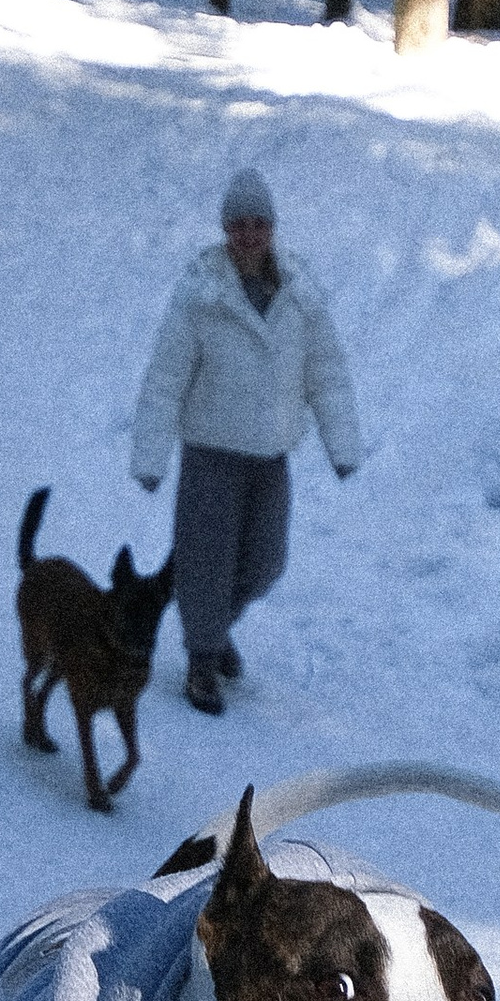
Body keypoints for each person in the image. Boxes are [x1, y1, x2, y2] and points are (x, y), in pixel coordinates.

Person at [130, 166, 362, 713]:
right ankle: (202, 659)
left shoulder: (299, 291)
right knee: (205, 560)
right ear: (225, 228)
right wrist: (150, 456)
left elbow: (326, 371)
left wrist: (343, 445)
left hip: (270, 455)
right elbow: (165, 378)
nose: (249, 234)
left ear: (272, 226)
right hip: (211, 451)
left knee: (265, 563)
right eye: (238, 224)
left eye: (258, 223)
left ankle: (212, 629)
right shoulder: (201, 292)